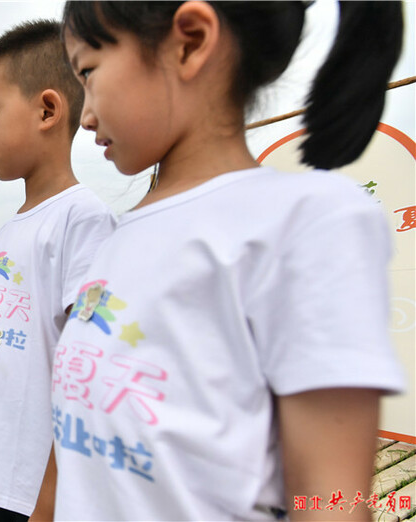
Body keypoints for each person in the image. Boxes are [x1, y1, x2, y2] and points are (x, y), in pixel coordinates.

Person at [49, 2, 406, 521]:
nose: (85, 116)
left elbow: (334, 502)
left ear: (190, 41)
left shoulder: (307, 225)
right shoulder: (114, 239)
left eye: (88, 71)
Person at [0, 20, 116, 522]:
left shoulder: (83, 219)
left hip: (37, 491)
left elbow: (88, 375)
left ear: (47, 109)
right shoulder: (10, 229)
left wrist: (49, 503)